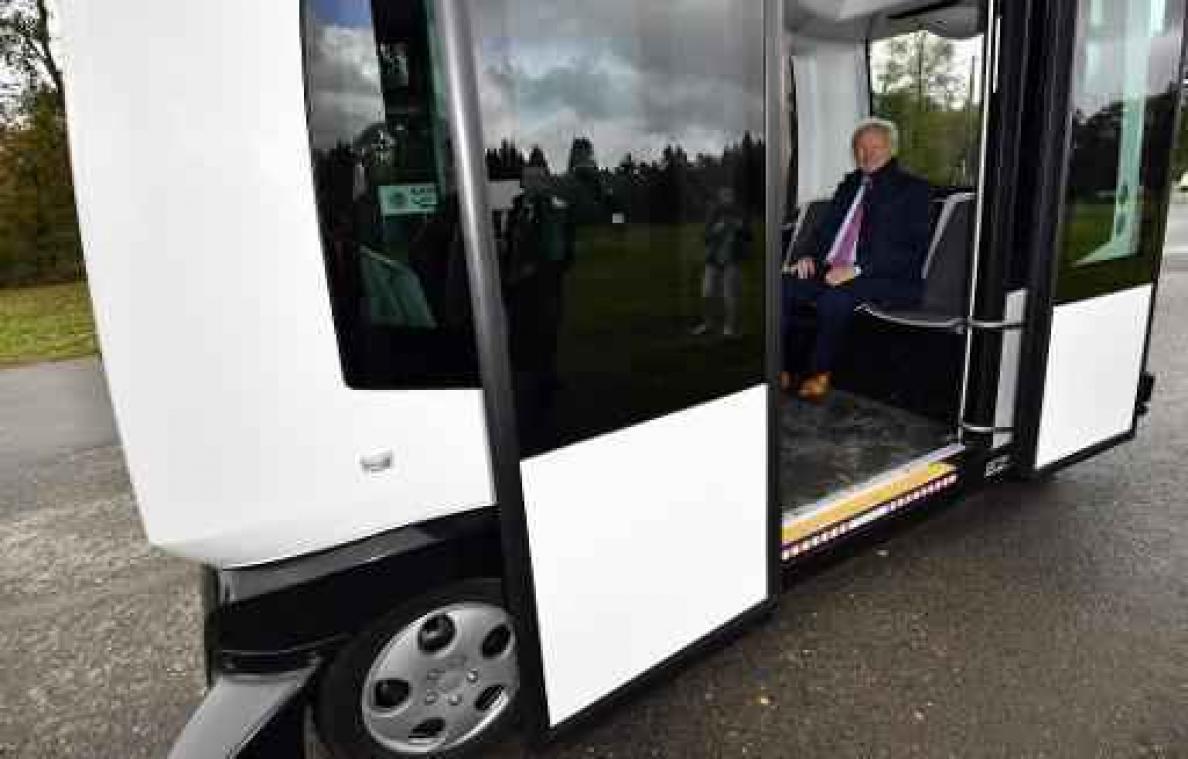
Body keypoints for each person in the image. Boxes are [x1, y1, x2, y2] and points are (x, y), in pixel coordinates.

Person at [781, 118, 930, 401]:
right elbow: (824, 232)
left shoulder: (914, 190)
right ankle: (783, 368)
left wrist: (857, 269)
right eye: (861, 147)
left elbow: (911, 250)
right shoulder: (850, 185)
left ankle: (818, 374)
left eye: (876, 146)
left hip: (886, 277)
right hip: (832, 269)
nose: (867, 153)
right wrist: (808, 257)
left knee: (835, 298)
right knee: (782, 286)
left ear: (891, 149)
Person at [693, 187, 752, 337]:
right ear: (719, 199)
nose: (726, 199)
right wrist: (715, 230)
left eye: (729, 196)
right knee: (706, 293)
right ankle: (708, 323)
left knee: (729, 295)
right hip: (713, 260)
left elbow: (749, 236)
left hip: (732, 260)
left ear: (733, 198)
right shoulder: (714, 214)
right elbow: (704, 236)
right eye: (723, 196)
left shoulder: (740, 214)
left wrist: (741, 228)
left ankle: (729, 328)